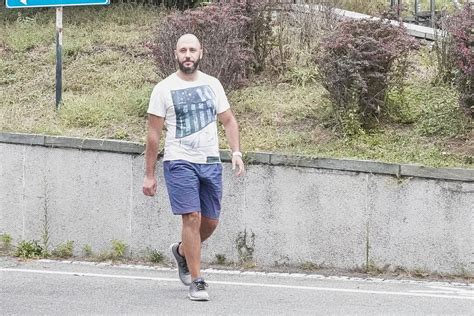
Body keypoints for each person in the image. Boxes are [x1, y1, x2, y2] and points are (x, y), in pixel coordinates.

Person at [142, 33, 245, 301]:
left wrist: (236, 152)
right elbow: (153, 134)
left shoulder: (213, 84)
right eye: (183, 50)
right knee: (192, 217)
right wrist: (149, 174)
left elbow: (229, 121)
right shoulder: (163, 89)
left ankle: (181, 252)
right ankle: (197, 280)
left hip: (210, 161)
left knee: (210, 222)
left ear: (201, 53)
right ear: (175, 54)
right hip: (179, 161)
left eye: (192, 50)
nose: (188, 55)